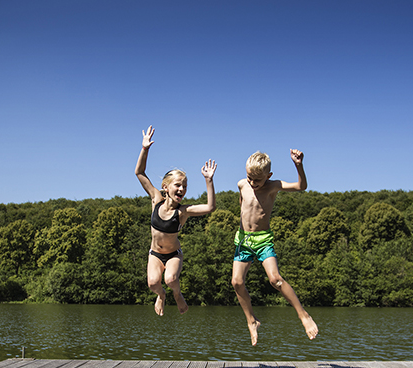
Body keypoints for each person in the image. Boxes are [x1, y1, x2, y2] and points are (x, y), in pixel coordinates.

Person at [232, 149, 318, 345]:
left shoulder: (273, 186)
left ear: (268, 176)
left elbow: (301, 186)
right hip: (244, 241)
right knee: (236, 282)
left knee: (275, 279)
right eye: (250, 178)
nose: (253, 183)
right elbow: (243, 207)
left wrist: (298, 165)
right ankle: (251, 321)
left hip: (263, 240)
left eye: (258, 180)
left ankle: (303, 315)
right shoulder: (241, 184)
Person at [135, 125, 217, 315]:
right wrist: (145, 148)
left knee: (171, 279)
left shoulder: (183, 212)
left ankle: (177, 294)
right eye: (178, 185)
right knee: (153, 283)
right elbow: (139, 173)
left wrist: (209, 180)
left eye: (185, 186)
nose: (182, 189)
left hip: (173, 255)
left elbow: (210, 207)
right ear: (165, 187)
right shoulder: (156, 199)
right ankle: (162, 296)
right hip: (155, 254)